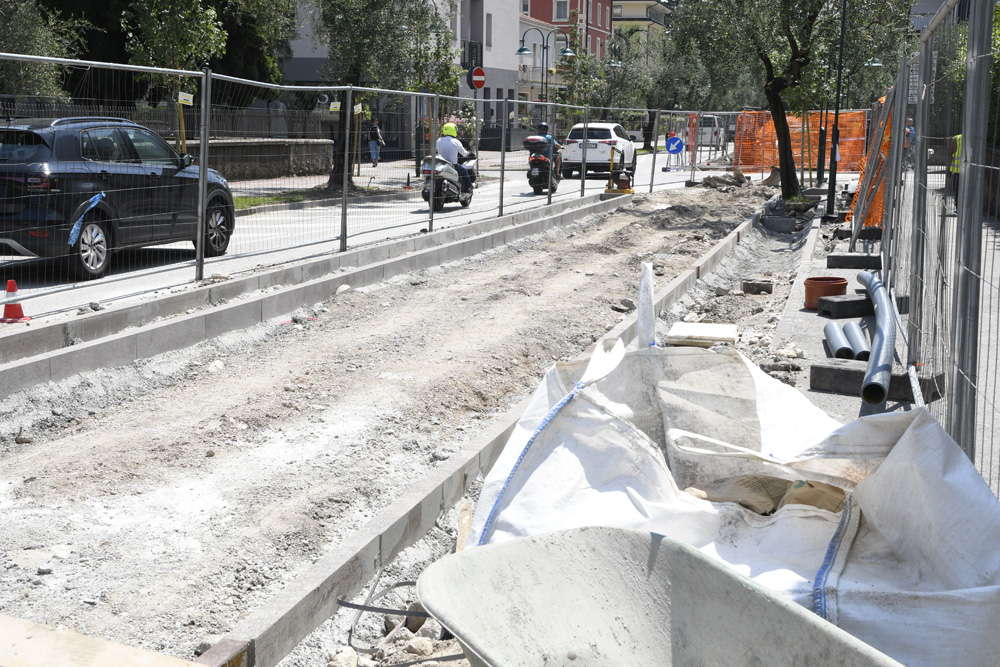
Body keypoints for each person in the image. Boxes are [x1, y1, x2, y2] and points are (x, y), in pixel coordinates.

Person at [436, 122, 475, 192]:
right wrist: (470, 153)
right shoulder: (456, 142)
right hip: (453, 165)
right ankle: (469, 187)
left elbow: (435, 150)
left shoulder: (439, 140)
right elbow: (465, 154)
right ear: (453, 130)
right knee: (464, 171)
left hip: (441, 165)